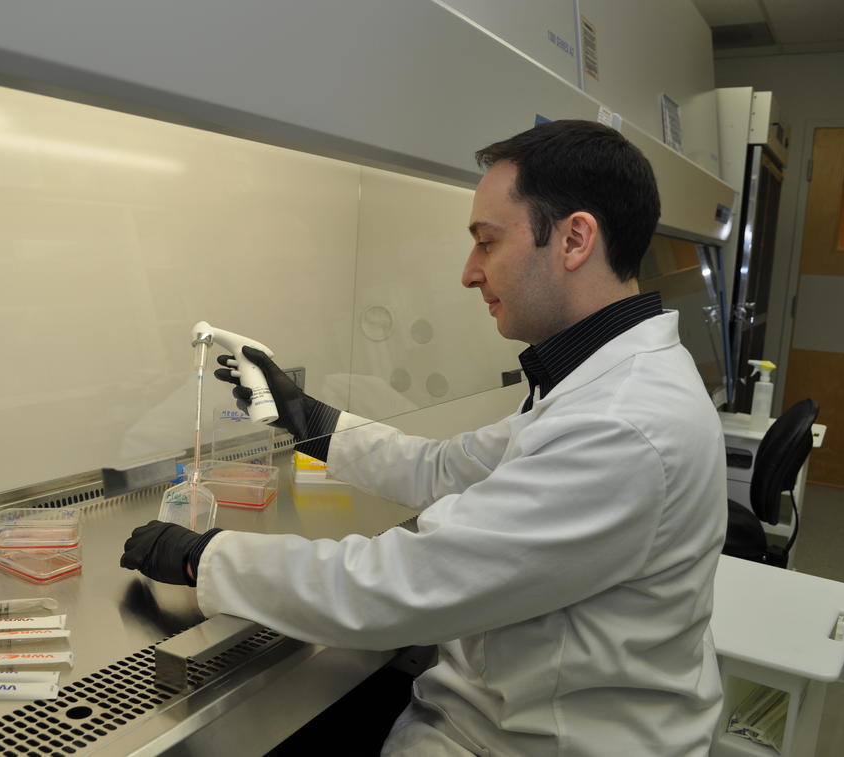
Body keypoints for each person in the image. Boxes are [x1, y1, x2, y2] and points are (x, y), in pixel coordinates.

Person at [122, 119, 727, 756]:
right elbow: (446, 468)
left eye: (487, 243)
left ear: (574, 239)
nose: (470, 273)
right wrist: (311, 422)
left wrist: (206, 556)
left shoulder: (625, 426)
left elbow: (399, 587)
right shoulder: (598, 383)